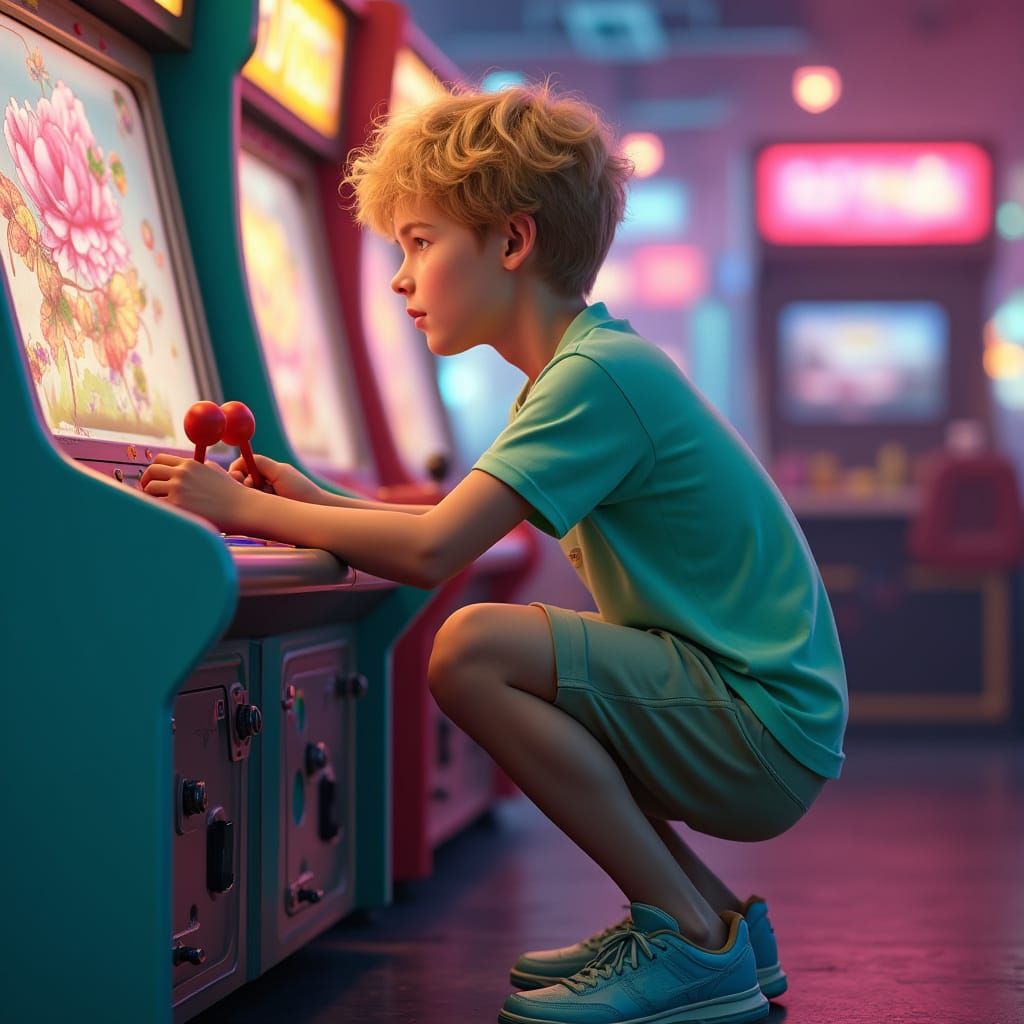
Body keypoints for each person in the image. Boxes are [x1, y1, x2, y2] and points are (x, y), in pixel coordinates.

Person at [141, 82, 848, 1024]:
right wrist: (315, 500)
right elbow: (457, 525)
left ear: (512, 242)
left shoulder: (594, 378)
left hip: (760, 728)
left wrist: (252, 514)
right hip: (765, 715)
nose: (400, 277)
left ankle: (682, 937)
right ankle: (713, 926)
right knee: (501, 649)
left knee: (472, 649)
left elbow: (436, 548)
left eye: (421, 243)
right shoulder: (587, 367)